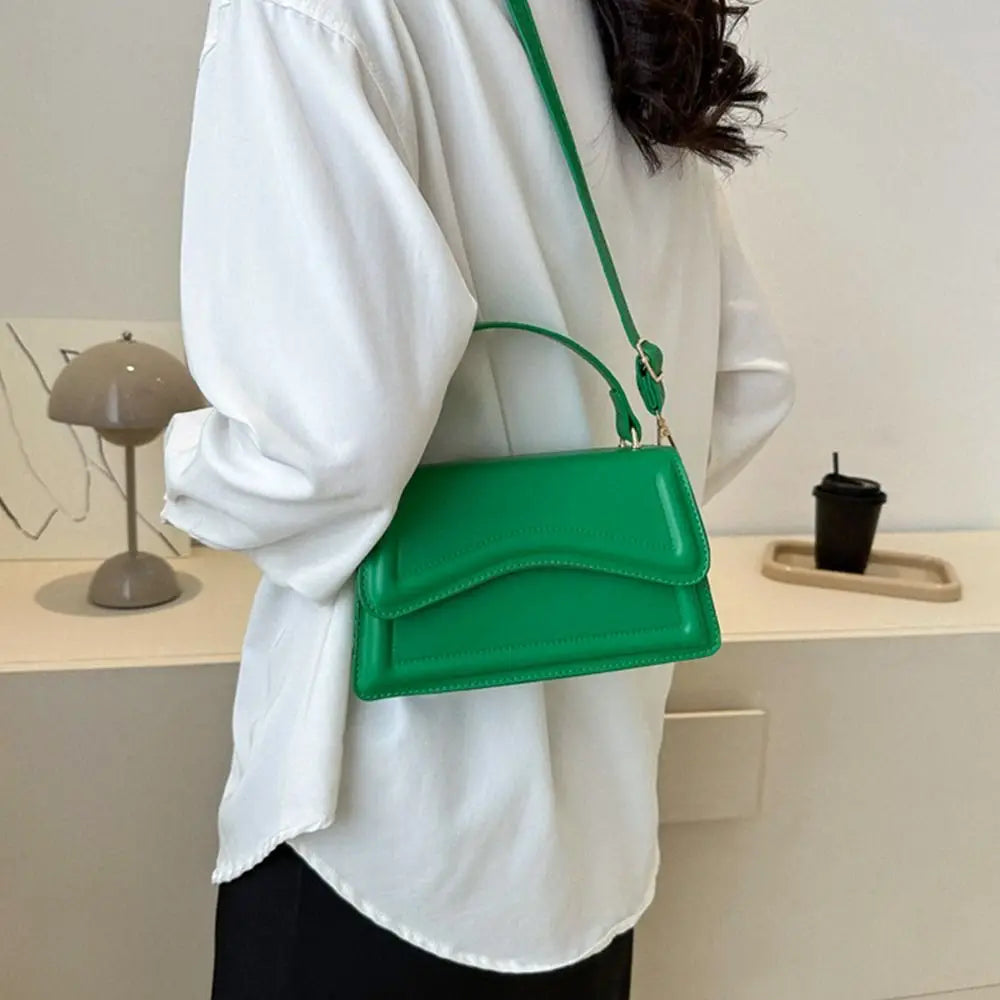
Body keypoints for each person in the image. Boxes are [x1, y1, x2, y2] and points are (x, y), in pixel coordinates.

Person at [162, 0, 794, 996]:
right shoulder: (642, 19)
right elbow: (745, 383)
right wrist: (586, 525)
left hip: (388, 831)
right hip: (598, 850)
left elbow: (326, 450)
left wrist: (187, 466)